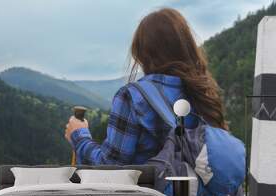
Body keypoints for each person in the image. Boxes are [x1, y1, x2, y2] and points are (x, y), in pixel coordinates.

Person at [64, 8, 228, 165]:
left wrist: (79, 136)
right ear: (186, 47)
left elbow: (110, 165)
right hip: (193, 194)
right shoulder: (203, 94)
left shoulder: (132, 97)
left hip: (152, 194)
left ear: (143, 53)